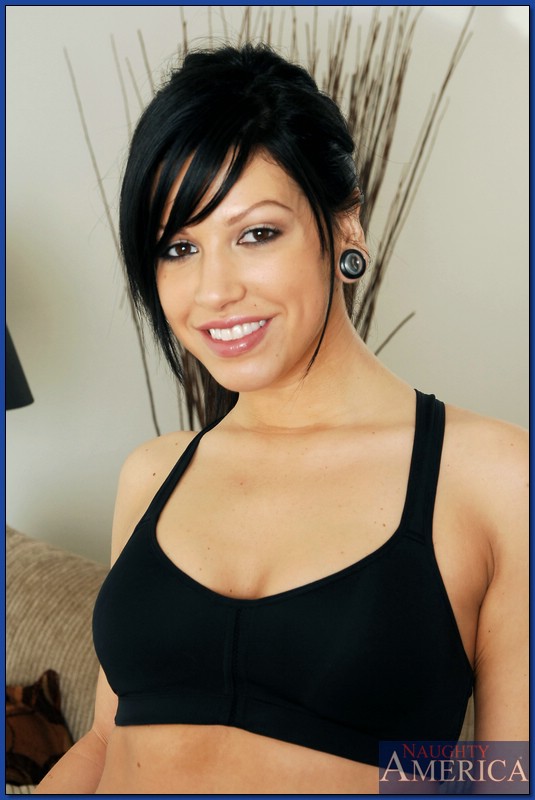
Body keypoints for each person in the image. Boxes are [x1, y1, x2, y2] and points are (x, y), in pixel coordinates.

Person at [34, 42, 528, 795]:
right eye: (179, 247)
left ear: (345, 226)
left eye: (256, 234)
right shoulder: (153, 473)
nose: (214, 291)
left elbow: (506, 775)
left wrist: (385, 769)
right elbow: (106, 742)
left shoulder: (493, 478)